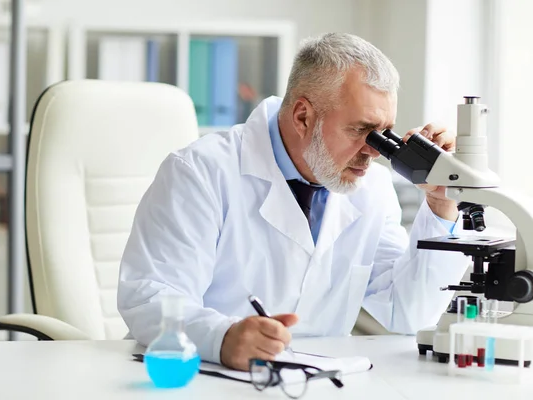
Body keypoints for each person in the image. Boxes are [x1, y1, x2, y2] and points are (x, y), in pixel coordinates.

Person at [117, 32, 470, 371]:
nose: (373, 151)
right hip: (201, 375)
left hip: (314, 377)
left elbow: (410, 312)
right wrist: (221, 338)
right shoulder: (200, 171)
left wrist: (441, 206)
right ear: (303, 116)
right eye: (360, 129)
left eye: (384, 132)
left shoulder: (373, 188)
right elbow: (150, 296)